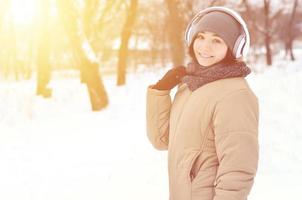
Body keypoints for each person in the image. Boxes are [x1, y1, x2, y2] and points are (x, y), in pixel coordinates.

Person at [146, 6, 259, 200]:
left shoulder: (235, 95)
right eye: (201, 37)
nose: (205, 47)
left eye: (217, 40)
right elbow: (161, 140)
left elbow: (238, 169)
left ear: (234, 48)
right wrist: (161, 92)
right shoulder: (190, 86)